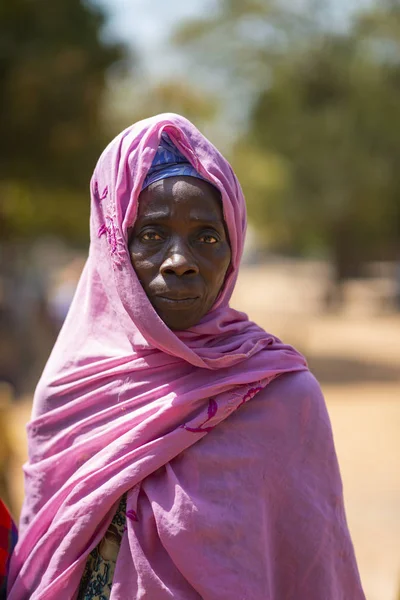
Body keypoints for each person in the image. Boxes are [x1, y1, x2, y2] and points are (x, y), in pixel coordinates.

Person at [8, 114, 365, 599]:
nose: (180, 261)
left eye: (207, 237)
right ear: (114, 246)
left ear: (232, 250)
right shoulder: (72, 389)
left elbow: (315, 572)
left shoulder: (282, 397)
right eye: (153, 235)